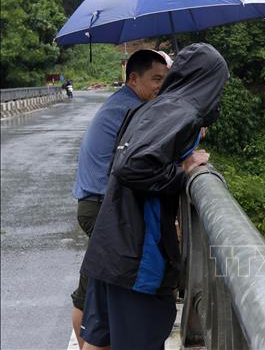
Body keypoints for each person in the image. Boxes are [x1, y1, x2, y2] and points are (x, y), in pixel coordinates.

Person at [79, 43, 229, 350]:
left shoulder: (148, 107)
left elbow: (122, 161)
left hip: (111, 247)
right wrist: (183, 172)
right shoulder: (180, 111)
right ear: (209, 81)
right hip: (137, 258)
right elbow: (130, 166)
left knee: (98, 341)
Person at [70, 49, 170, 349]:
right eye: (155, 79)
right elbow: (144, 162)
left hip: (95, 204)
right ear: (133, 78)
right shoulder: (131, 110)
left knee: (91, 290)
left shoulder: (123, 104)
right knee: (102, 297)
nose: (159, 87)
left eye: (164, 80)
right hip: (103, 208)